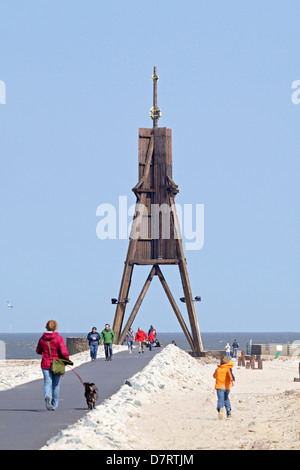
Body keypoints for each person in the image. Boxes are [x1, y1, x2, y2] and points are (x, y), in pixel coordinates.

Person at [36, 320, 69, 411]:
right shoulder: (59, 338)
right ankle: (54, 405)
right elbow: (64, 351)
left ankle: (47, 396)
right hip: (57, 364)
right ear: (55, 327)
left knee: (47, 383)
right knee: (56, 385)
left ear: (46, 327)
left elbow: (38, 351)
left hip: (45, 364)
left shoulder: (42, 339)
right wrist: (66, 360)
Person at [213, 355, 235, 419]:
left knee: (220, 399)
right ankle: (228, 412)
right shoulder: (228, 369)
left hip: (220, 387)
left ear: (221, 362)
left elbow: (214, 376)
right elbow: (231, 375)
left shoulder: (218, 369)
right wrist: (233, 381)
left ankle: (220, 409)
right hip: (227, 387)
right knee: (226, 398)